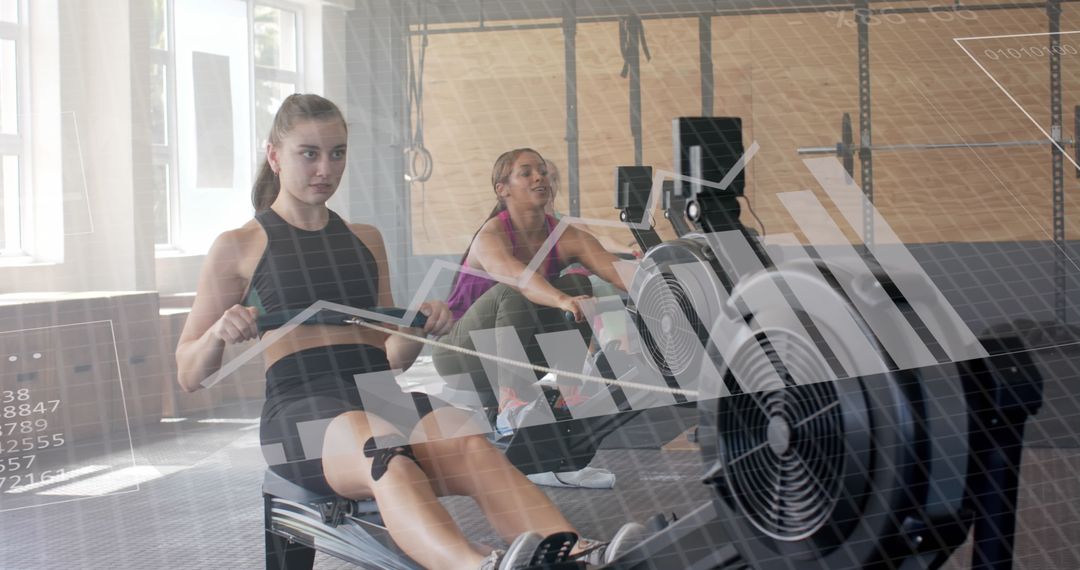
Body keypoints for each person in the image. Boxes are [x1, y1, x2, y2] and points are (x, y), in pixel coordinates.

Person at [175, 96, 642, 569]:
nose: (325, 168)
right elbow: (189, 373)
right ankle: (474, 565)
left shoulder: (365, 239)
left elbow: (388, 355)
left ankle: (575, 553)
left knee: (470, 441)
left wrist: (425, 327)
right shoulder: (239, 246)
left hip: (378, 395)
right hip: (302, 411)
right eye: (308, 153)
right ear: (274, 155)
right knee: (383, 448)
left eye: (337, 153)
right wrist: (219, 331)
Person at [432, 148, 630, 430]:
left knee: (578, 284)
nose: (539, 177)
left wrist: (666, 281)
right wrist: (563, 301)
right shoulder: (491, 235)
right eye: (526, 173)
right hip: (461, 356)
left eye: (542, 171)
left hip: (518, 349)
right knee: (514, 291)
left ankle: (568, 395)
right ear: (503, 190)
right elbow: (521, 280)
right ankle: (508, 404)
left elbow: (617, 271)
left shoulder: (563, 235)